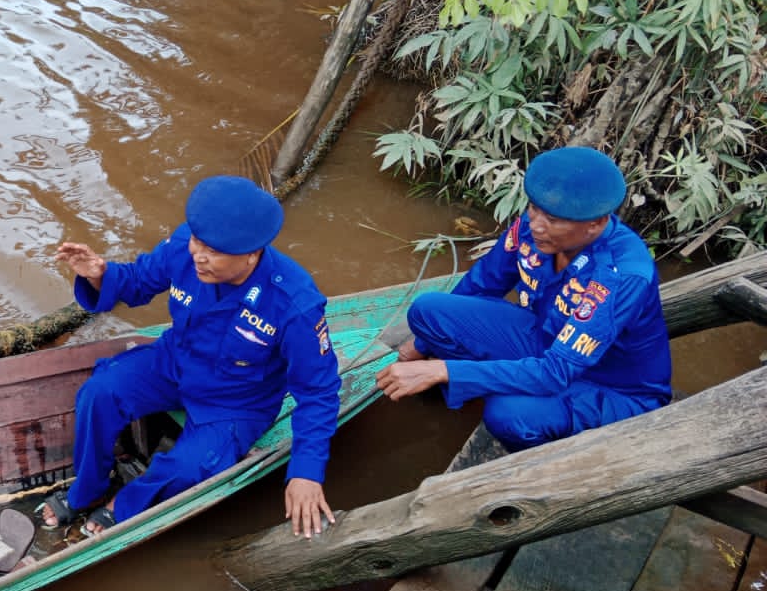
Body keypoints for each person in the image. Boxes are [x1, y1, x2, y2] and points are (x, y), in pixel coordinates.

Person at [36, 174, 343, 539]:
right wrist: (100, 274)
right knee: (99, 393)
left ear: (251, 254)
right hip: (174, 363)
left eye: (213, 251)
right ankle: (86, 489)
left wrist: (306, 472)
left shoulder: (295, 305)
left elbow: (319, 393)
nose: (199, 255)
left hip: (235, 402)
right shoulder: (187, 246)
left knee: (187, 470)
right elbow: (137, 281)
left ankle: (122, 507)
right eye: (197, 241)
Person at [374, 146, 673, 450]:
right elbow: (481, 285)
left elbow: (556, 372)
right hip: (545, 339)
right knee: (428, 310)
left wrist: (442, 370)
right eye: (534, 207)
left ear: (595, 223)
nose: (536, 224)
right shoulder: (535, 227)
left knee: (508, 415)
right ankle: (474, 385)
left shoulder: (620, 275)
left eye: (553, 219)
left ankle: (548, 463)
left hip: (608, 386)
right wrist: (421, 346)